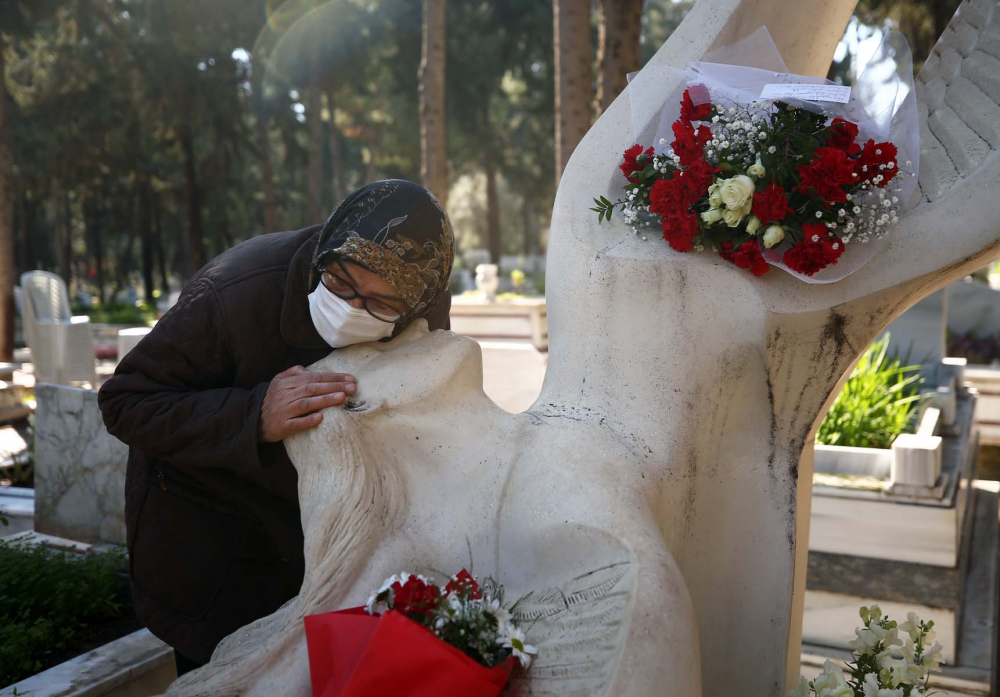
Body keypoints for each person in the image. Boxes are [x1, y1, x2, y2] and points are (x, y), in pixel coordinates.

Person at [98, 179, 455, 675]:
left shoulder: (423, 298)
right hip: (210, 541)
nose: (353, 308)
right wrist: (252, 415)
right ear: (323, 254)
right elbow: (126, 401)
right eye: (342, 284)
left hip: (325, 549)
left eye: (380, 305)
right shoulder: (235, 290)